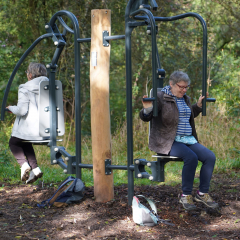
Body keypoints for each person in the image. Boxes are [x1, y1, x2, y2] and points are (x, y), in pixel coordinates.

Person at [140, 70, 218, 211]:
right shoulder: (160, 97)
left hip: (187, 139)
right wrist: (147, 109)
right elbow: (147, 117)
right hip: (169, 140)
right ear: (171, 84)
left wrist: (198, 106)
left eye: (186, 87)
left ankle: (202, 193)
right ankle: (186, 195)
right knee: (191, 157)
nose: (184, 89)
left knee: (209, 157)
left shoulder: (184, 98)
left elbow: (187, 114)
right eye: (181, 86)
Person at [7, 62, 48, 184]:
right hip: (46, 129)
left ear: (30, 75)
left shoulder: (25, 87)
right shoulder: (50, 86)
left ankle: (24, 165)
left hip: (30, 129)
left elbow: (21, 110)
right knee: (25, 143)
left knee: (13, 142)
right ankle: (35, 169)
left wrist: (10, 108)